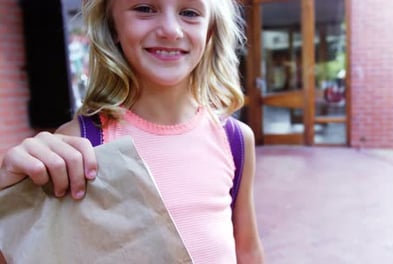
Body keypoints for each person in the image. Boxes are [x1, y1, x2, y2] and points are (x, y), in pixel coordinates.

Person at [0, 0, 264, 263]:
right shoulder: (80, 145)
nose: (171, 30)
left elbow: (248, 251)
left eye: (190, 12)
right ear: (112, 25)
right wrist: (9, 197)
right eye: (145, 8)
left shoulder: (236, 140)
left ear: (210, 31)